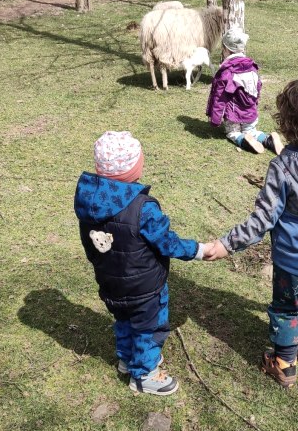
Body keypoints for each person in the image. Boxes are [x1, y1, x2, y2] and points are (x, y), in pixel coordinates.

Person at [205, 78, 298, 387]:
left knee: (287, 310)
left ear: (287, 124)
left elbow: (263, 219)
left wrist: (227, 244)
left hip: (293, 266)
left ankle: (284, 364)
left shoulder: (282, 166)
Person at [74, 131, 209, 395]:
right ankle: (144, 374)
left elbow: (89, 243)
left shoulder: (88, 203)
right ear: (134, 166)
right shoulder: (142, 208)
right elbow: (167, 243)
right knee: (148, 327)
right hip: (144, 286)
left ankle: (127, 359)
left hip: (110, 282)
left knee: (123, 319)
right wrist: (199, 250)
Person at [206, 27, 284, 155]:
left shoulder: (227, 71)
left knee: (233, 133)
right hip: (250, 112)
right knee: (251, 131)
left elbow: (219, 97)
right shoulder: (252, 67)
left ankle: (246, 143)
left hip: (234, 114)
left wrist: (215, 119)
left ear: (226, 49)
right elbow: (257, 89)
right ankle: (268, 140)